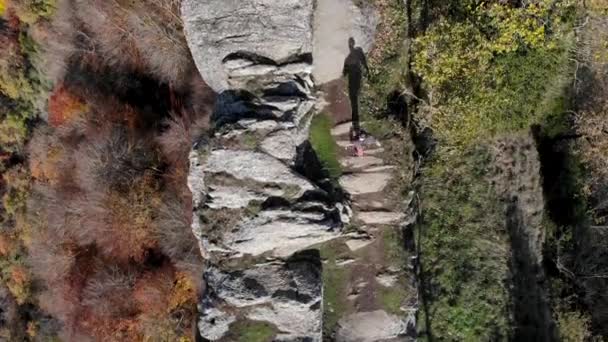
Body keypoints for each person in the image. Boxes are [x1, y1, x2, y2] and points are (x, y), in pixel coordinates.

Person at [342, 37, 369, 141]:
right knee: (356, 96)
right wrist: (367, 70)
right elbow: (364, 62)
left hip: (352, 79)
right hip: (358, 77)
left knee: (353, 98)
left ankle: (356, 120)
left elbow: (344, 73)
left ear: (349, 46)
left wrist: (346, 71)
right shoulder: (358, 52)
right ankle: (356, 119)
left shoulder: (348, 58)